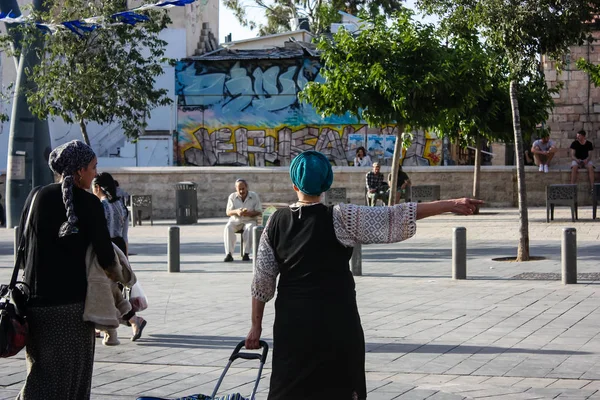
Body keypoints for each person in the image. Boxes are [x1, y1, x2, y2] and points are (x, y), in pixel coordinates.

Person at [245, 150, 483, 400]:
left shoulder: (275, 222)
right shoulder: (341, 217)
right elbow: (396, 215)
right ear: (327, 183)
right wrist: (451, 204)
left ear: (294, 184)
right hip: (338, 323)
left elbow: (262, 282)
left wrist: (255, 328)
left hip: (293, 325)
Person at [17, 140, 116, 400]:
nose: (96, 173)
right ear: (80, 170)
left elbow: (23, 246)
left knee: (40, 373)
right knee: (72, 380)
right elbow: (106, 256)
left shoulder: (35, 196)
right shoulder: (89, 204)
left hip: (34, 305)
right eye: (94, 167)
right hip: (72, 308)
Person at [92, 172, 146, 345]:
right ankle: (103, 327)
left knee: (105, 289)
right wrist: (125, 261)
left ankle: (125, 323)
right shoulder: (121, 207)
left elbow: (100, 234)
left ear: (97, 188)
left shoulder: (101, 206)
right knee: (112, 288)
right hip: (120, 248)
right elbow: (125, 235)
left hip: (106, 248)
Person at [224, 179, 262, 262]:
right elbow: (228, 212)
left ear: (247, 187)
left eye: (243, 189)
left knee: (250, 228)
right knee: (228, 227)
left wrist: (248, 213)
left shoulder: (254, 196)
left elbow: (259, 211)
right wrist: (237, 211)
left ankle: (246, 253)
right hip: (236, 220)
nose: (241, 191)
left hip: (249, 220)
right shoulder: (232, 197)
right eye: (239, 189)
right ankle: (229, 254)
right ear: (236, 189)